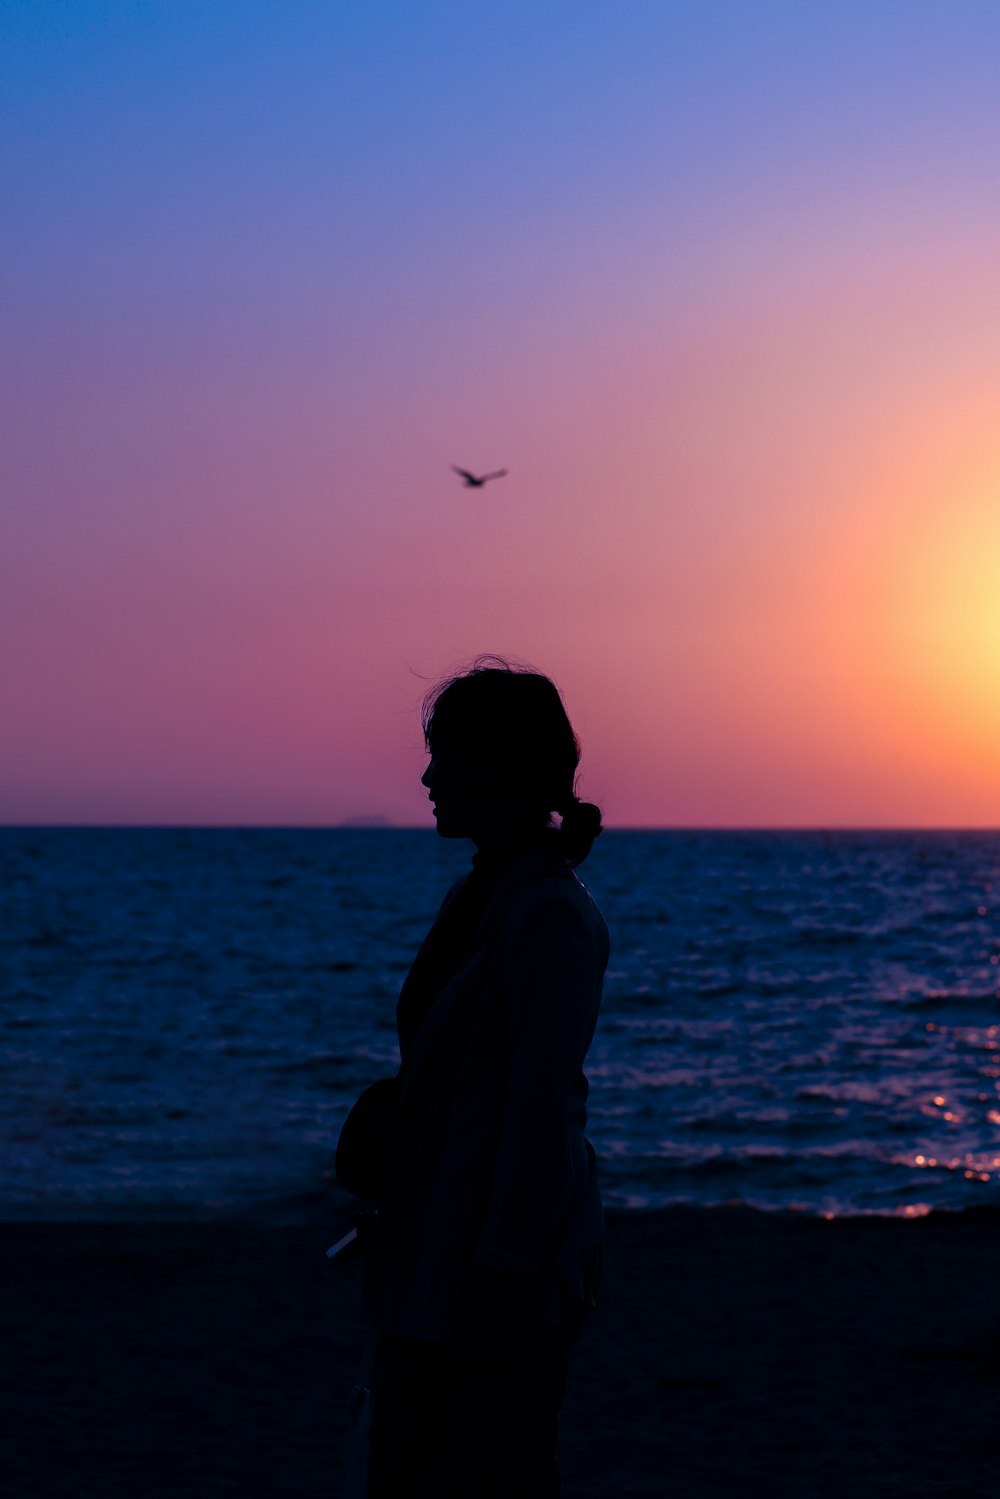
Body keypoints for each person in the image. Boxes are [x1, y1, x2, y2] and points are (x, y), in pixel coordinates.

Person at [356, 656, 610, 1498]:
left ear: (498, 765)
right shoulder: (483, 898)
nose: (428, 774)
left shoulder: (545, 915)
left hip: (495, 1282)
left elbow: (539, 1114)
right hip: (441, 1258)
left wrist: (504, 1274)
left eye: (447, 754)